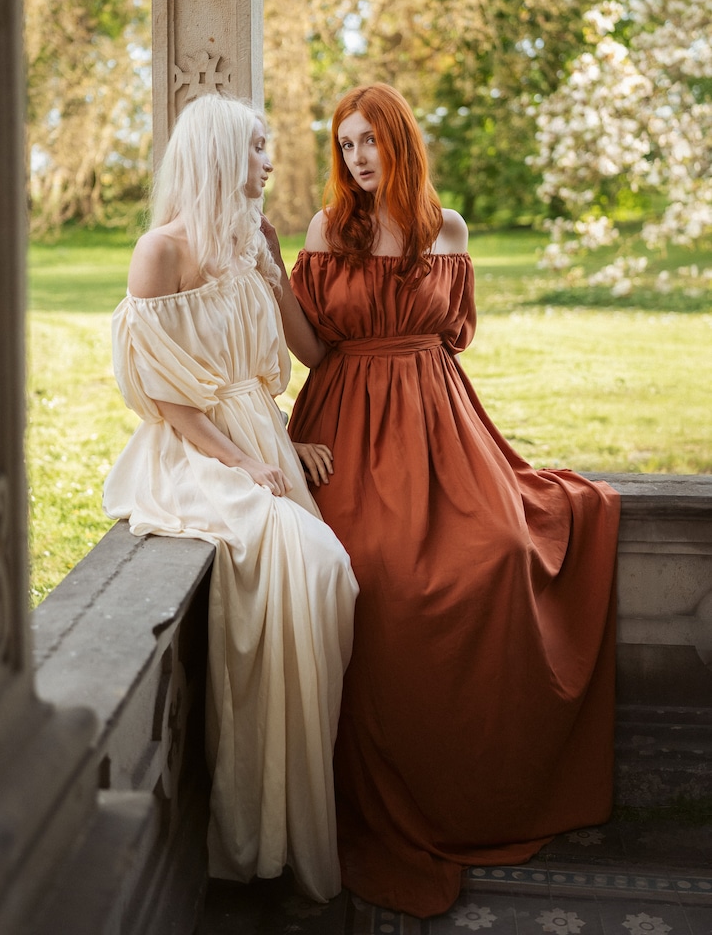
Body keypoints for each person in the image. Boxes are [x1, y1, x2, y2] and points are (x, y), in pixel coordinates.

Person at [264, 83, 620, 918]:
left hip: (434, 412)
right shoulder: (325, 229)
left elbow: (455, 334)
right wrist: (271, 273)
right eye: (345, 145)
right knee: (374, 570)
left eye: (369, 143)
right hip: (346, 412)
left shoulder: (445, 229)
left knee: (498, 547)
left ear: (400, 144)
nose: (355, 159)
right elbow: (315, 347)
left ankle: (481, 785)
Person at [102, 93, 358, 903]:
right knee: (317, 566)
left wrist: (282, 433)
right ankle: (256, 826)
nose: (270, 160)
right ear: (216, 154)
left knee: (321, 587)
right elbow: (168, 395)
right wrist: (244, 459)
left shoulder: (256, 239)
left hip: (258, 435)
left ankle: (296, 802)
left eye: (267, 145)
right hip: (195, 452)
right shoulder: (160, 253)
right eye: (256, 147)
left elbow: (310, 350)